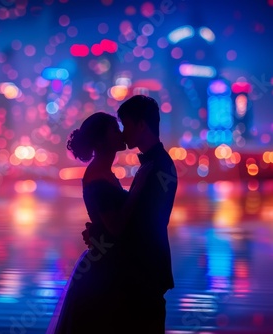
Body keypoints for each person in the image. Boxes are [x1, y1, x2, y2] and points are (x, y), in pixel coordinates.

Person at [47, 112, 130, 333]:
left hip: (105, 261)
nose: (120, 134)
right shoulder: (98, 177)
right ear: (102, 140)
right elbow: (115, 227)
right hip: (105, 269)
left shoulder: (103, 172)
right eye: (115, 129)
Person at [102, 95, 178, 333]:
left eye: (126, 125)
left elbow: (145, 223)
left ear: (142, 125)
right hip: (144, 271)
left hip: (144, 272)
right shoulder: (153, 165)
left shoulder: (158, 167)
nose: (123, 133)